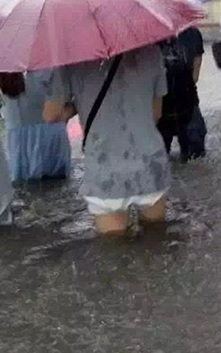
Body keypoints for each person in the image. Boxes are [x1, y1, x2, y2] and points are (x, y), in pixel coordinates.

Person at [44, 46, 170, 237]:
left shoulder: (71, 56)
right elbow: (156, 113)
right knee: (157, 240)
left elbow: (51, 114)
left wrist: (81, 104)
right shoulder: (151, 51)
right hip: (150, 164)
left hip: (105, 171)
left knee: (113, 252)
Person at [0, 71, 71, 182]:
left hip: (16, 142)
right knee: (56, 185)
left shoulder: (5, 64)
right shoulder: (49, 65)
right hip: (49, 137)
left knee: (21, 188)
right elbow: (55, 112)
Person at [157, 26, 207, 162]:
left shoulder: (192, 33)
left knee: (195, 154)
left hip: (187, 101)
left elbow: (195, 74)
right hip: (160, 103)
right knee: (159, 156)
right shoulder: (152, 35)